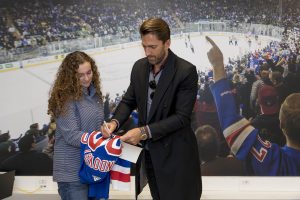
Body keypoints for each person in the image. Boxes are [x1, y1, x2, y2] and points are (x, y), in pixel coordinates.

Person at [101, 18, 201, 200]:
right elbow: (128, 101)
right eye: (144, 46)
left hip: (176, 157)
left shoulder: (186, 71)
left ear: (167, 43)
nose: (147, 52)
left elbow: (182, 118)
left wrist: (143, 132)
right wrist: (114, 123)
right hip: (150, 156)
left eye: (153, 47)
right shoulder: (139, 67)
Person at [206, 36, 300, 175]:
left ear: (282, 125)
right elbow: (230, 121)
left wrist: (217, 65)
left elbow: (232, 124)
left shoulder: (276, 162)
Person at [48, 51, 104, 200]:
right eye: (80, 75)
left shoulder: (95, 94)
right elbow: (72, 136)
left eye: (89, 72)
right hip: (72, 174)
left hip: (92, 168)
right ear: (70, 76)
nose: (86, 78)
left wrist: (105, 131)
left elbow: (96, 125)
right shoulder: (64, 98)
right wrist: (101, 140)